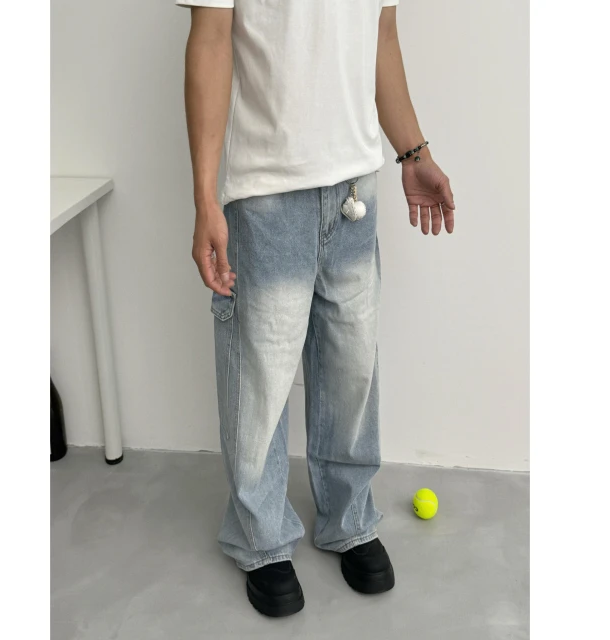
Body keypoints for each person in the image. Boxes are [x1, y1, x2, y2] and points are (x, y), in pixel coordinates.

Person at [180, 0, 456, 617]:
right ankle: (261, 540)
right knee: (260, 384)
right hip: (267, 194)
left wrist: (413, 153)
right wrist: (205, 199)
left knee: (351, 372)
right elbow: (211, 39)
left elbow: (381, 33)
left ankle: (349, 518)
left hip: (356, 188)